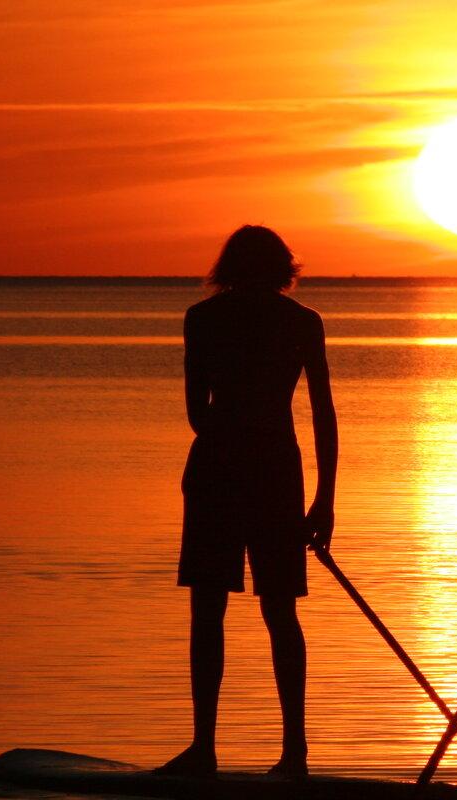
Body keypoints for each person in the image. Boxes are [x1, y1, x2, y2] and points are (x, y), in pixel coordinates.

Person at [156, 225, 336, 779]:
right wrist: (325, 499)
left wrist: (322, 500)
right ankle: (290, 752)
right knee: (276, 610)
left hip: (221, 467)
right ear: (283, 268)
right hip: (272, 471)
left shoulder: (203, 318)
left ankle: (208, 749)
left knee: (213, 610)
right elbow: (323, 415)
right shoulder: (301, 321)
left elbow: (197, 412)